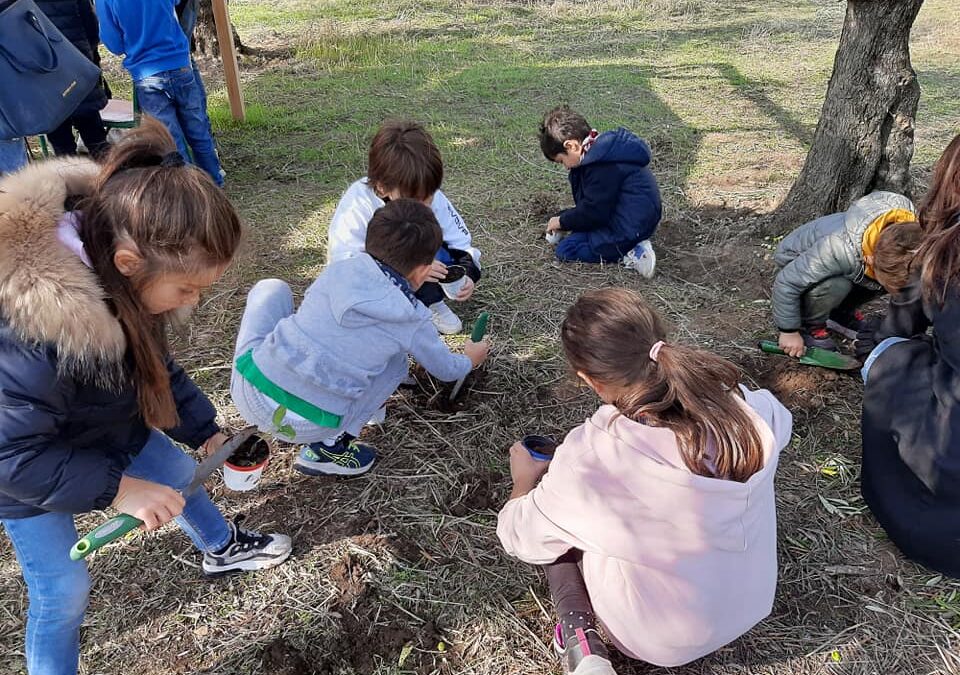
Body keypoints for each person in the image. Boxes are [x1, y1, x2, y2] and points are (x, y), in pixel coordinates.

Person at [0, 119, 290, 675]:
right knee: (62, 589)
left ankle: (221, 547)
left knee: (181, 474)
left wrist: (205, 429)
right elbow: (11, 456)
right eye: (188, 289)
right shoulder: (30, 329)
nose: (195, 302)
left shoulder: (122, 276)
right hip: (28, 470)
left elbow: (155, 370)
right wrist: (121, 489)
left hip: (109, 427)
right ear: (130, 266)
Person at [497, 288, 792, 672]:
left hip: (659, 638)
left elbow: (519, 537)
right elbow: (780, 420)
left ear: (590, 380)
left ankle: (581, 642)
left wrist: (524, 486)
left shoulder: (594, 459)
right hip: (752, 600)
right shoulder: (744, 407)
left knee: (556, 532)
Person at [232, 199, 490, 477]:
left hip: (250, 393)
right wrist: (468, 360)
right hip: (312, 425)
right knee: (397, 365)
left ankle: (262, 365)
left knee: (270, 289)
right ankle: (330, 446)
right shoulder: (412, 316)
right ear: (424, 269)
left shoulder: (339, 269)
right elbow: (445, 370)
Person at [860, 134, 960, 577]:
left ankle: (907, 489)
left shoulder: (943, 251)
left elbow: (899, 329)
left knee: (887, 356)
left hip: (942, 517)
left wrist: (874, 346)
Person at [327, 120, 481, 334]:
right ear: (382, 188)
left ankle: (429, 301)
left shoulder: (430, 196)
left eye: (430, 196)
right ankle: (393, 314)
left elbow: (460, 243)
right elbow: (345, 267)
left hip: (411, 274)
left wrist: (468, 275)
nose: (426, 205)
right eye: (417, 199)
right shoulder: (357, 205)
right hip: (370, 284)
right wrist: (407, 272)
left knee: (441, 252)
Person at [95, 0, 225, 186]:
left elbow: (114, 44)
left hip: (146, 73)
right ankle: (215, 184)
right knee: (198, 130)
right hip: (180, 63)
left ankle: (190, 192)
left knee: (171, 141)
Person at [772, 191, 918, 356]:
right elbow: (787, 282)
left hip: (847, 263)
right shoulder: (835, 247)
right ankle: (811, 325)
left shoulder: (912, 235)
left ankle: (840, 313)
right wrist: (788, 331)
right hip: (797, 261)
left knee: (887, 281)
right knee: (836, 285)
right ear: (869, 259)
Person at [538, 105, 661, 277]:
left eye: (561, 161)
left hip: (628, 227)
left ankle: (634, 251)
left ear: (572, 146)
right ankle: (630, 243)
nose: (565, 167)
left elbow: (594, 211)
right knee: (577, 233)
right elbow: (593, 204)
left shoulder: (602, 167)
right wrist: (563, 218)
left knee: (567, 249)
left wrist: (563, 221)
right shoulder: (599, 154)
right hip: (624, 218)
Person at [36, 0, 111, 159]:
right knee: (98, 142)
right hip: (78, 70)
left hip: (45, 79)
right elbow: (91, 27)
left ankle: (71, 181)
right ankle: (112, 179)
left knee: (63, 150)